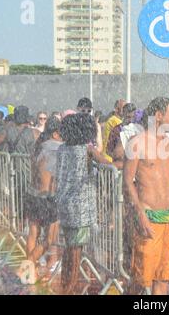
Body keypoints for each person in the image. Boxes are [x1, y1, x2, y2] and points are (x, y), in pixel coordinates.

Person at [123, 97, 169, 295]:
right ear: (158, 116)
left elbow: (167, 180)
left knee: (163, 277)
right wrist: (140, 215)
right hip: (149, 218)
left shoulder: (167, 143)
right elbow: (127, 182)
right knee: (140, 280)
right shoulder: (137, 143)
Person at [55, 113, 109, 295]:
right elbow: (107, 164)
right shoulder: (87, 149)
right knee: (76, 251)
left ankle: (65, 283)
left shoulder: (63, 148)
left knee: (69, 247)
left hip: (64, 202)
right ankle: (70, 288)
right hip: (80, 207)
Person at [23, 116, 63, 284]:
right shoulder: (58, 148)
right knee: (49, 239)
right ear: (55, 133)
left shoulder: (38, 146)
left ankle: (30, 273)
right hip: (48, 198)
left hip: (32, 194)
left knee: (33, 233)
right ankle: (26, 268)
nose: (64, 137)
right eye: (62, 133)